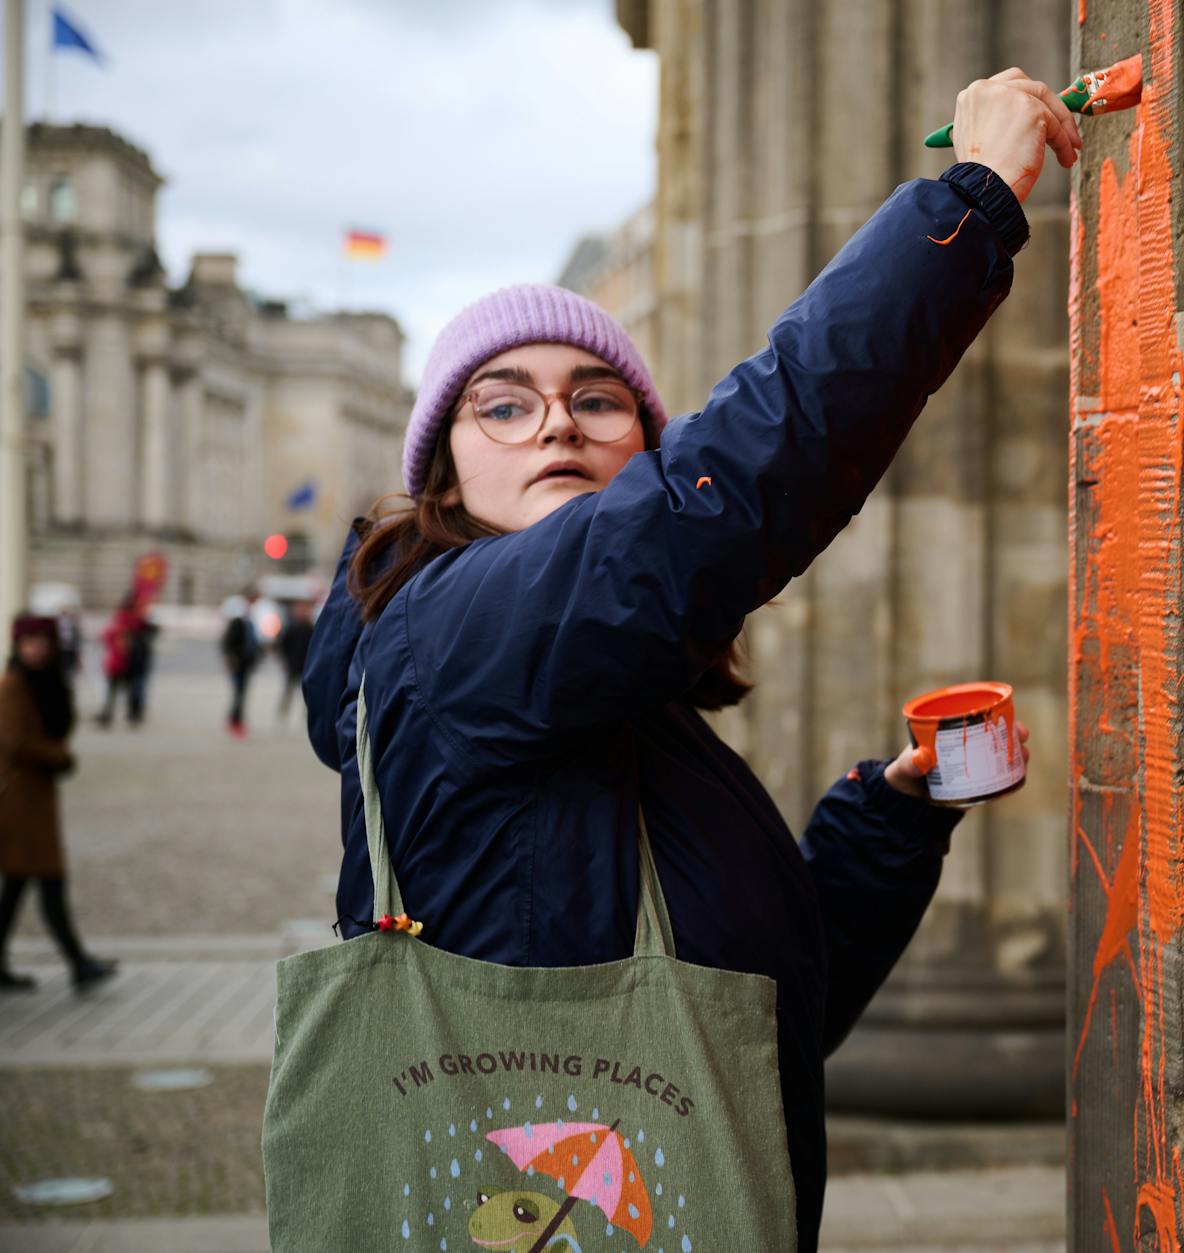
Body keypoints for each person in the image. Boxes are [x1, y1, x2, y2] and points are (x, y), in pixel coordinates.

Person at [292, 71, 1076, 1249]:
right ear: (442, 478)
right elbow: (724, 493)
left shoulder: (629, 713)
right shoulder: (441, 632)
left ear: (634, 449)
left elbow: (749, 1023)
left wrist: (890, 819)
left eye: (599, 400)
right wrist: (965, 207)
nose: (558, 422)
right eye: (503, 406)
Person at [0, 615, 117, 992]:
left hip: (36, 797)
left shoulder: (46, 682)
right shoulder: (13, 685)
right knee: (50, 880)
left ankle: (71, 962)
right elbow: (16, 742)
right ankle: (78, 962)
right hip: (19, 800)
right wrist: (59, 758)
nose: (35, 647)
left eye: (41, 640)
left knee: (17, 886)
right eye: (28, 641)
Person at [95, 594, 156, 728]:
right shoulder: (134, 621)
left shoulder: (120, 620)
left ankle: (109, 715)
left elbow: (105, 637)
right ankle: (131, 715)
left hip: (119, 662)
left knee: (114, 691)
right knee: (127, 690)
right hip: (126, 663)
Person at [220, 587, 261, 738]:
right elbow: (228, 642)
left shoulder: (249, 618)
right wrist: (231, 659)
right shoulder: (238, 619)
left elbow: (252, 643)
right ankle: (235, 721)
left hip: (246, 663)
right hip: (239, 663)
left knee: (241, 693)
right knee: (239, 693)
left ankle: (235, 720)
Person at [274, 599, 315, 722]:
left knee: (306, 692)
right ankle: (283, 712)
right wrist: (285, 660)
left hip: (305, 665)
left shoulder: (310, 627)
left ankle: (307, 714)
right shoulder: (291, 627)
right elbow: (283, 645)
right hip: (293, 664)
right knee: (288, 690)